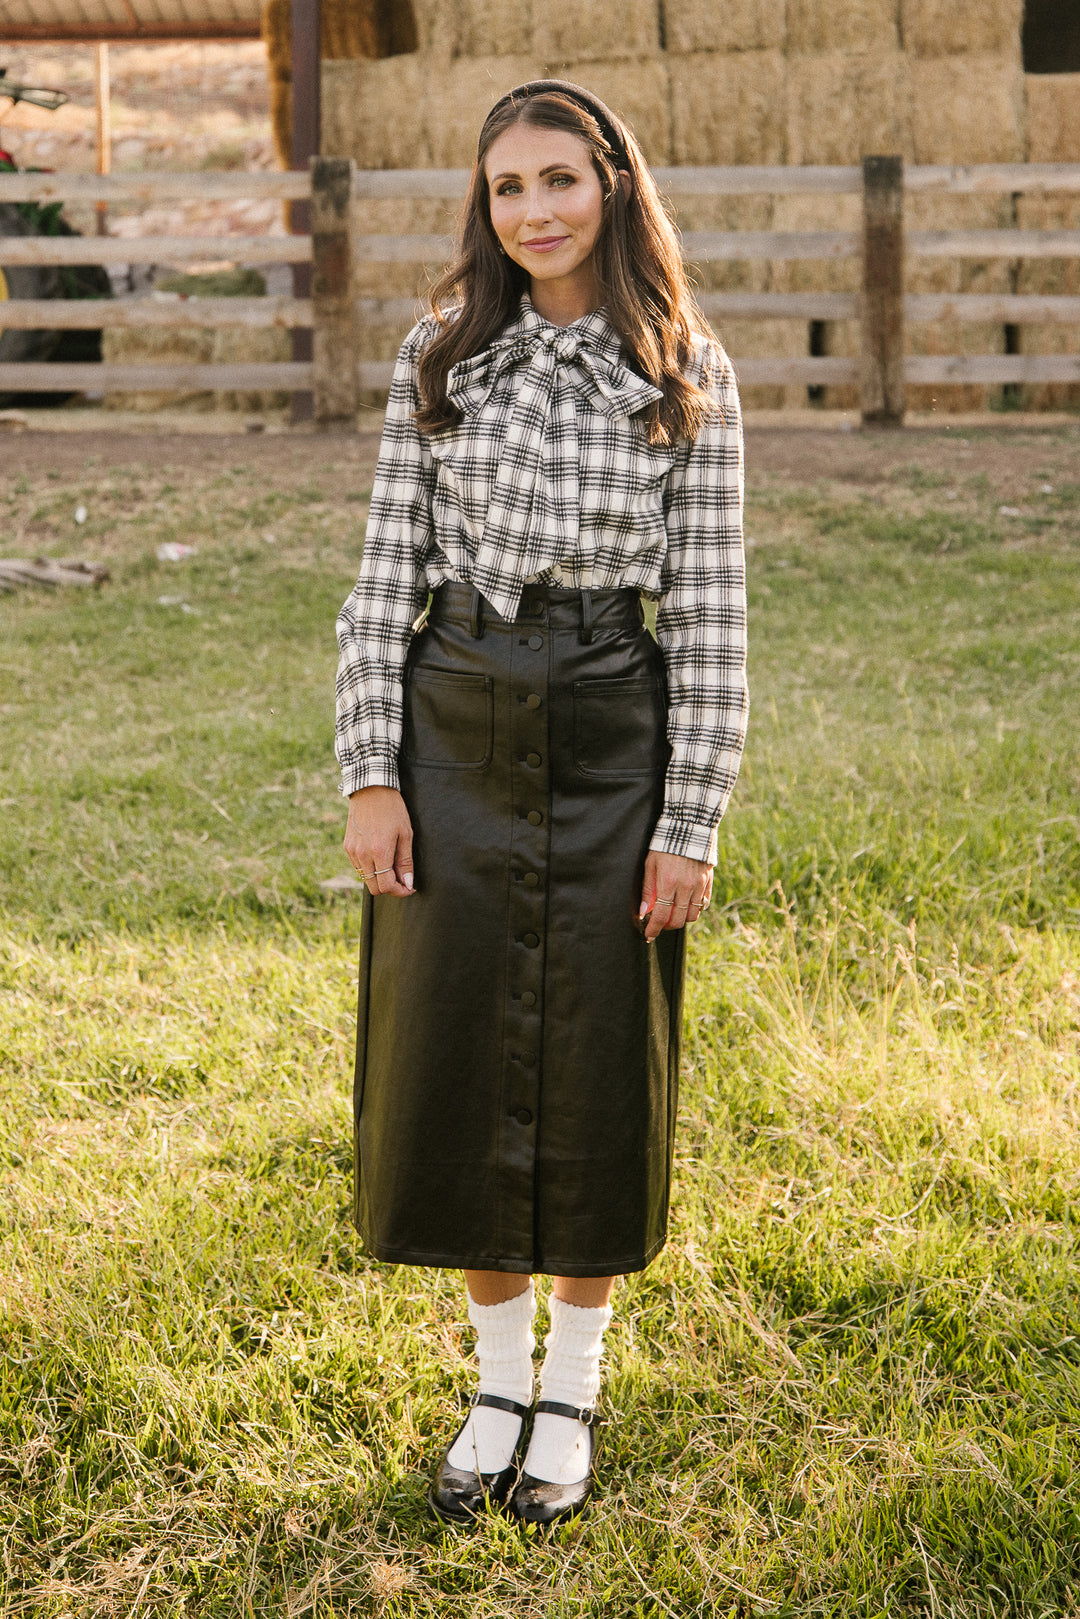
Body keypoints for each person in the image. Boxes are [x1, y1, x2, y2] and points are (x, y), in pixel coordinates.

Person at [335, 79, 748, 1528]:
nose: (535, 212)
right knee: (448, 1051)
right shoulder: (439, 357)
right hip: (451, 729)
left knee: (594, 1060)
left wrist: (688, 816)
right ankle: (494, 1379)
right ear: (487, 205)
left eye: (559, 180)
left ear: (615, 185)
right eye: (508, 189)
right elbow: (383, 579)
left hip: (607, 734)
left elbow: (711, 616)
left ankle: (571, 1382)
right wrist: (372, 775)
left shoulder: (686, 369)